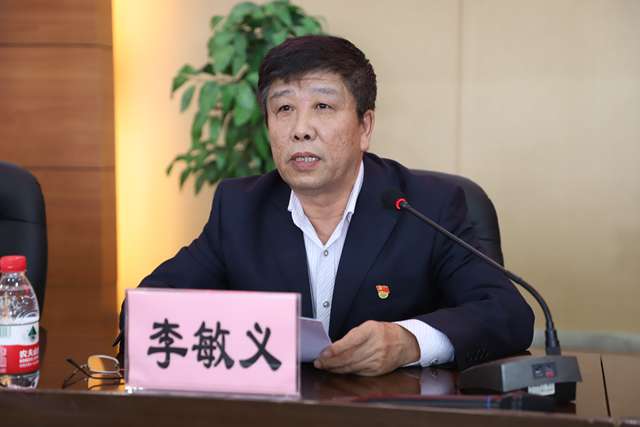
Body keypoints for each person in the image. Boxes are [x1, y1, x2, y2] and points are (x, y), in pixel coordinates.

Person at [118, 35, 533, 376]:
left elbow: (507, 313)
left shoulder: (427, 205)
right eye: (284, 109)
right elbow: (146, 306)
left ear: (364, 126)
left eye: (323, 106)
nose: (300, 130)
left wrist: (408, 342)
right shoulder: (241, 208)